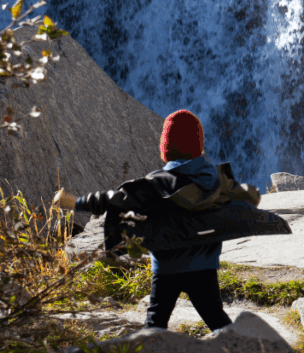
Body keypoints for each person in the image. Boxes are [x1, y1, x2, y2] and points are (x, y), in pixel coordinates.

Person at [55, 110, 275, 332]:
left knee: (156, 322)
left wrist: (76, 202)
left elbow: (113, 200)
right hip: (204, 266)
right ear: (198, 145)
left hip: (166, 267)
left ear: (166, 147)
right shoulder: (215, 180)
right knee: (216, 317)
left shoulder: (156, 184)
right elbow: (249, 197)